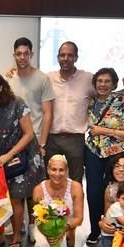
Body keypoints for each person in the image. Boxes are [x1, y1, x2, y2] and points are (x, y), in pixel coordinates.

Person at [0, 71, 44, 247]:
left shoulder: (17, 104)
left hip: (24, 157)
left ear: (1, 86)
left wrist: (8, 156)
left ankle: (15, 238)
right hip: (0, 162)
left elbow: (29, 134)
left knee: (15, 197)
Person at [84, 68, 124, 244]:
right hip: (93, 152)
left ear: (114, 84)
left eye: (107, 81)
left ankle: (115, 229)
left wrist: (104, 130)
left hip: (116, 154)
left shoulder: (121, 102)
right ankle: (95, 229)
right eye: (99, 81)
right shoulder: (90, 103)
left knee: (115, 192)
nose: (103, 84)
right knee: (93, 191)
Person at [46, 41, 95, 182]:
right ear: (57, 57)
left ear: (76, 58)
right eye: (62, 55)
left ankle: (74, 205)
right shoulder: (48, 78)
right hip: (52, 138)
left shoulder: (88, 79)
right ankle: (50, 205)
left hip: (76, 139)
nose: (65, 58)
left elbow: (105, 91)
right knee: (50, 179)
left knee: (76, 180)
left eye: (70, 55)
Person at [29, 155, 85, 247]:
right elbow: (37, 219)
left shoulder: (76, 187)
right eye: (54, 169)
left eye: (61, 170)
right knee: (44, 245)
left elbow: (79, 218)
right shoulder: (38, 190)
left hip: (69, 225)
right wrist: (48, 234)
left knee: (81, 233)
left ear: (67, 171)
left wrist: (63, 229)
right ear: (48, 170)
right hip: (44, 226)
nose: (57, 174)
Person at [7, 37, 54, 152]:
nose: (22, 57)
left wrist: (42, 144)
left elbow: (47, 113)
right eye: (19, 54)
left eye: (26, 53)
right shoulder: (8, 79)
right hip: (13, 141)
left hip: (35, 140)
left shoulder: (43, 79)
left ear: (31, 55)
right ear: (14, 56)